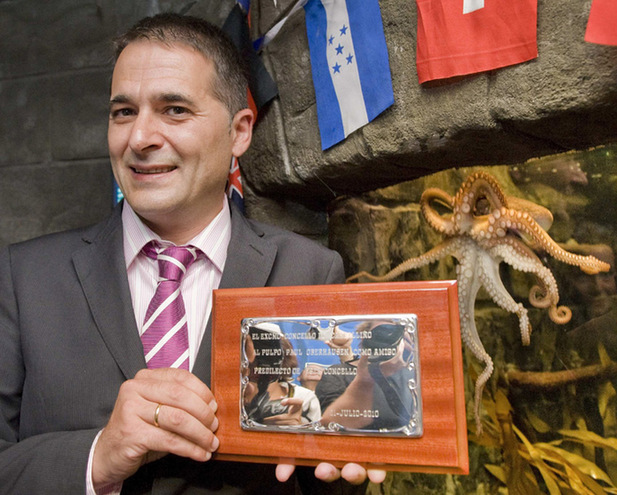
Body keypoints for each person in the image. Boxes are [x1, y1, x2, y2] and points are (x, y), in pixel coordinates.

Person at [0, 13, 385, 494]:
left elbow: (327, 463)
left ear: (239, 132)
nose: (139, 138)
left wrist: (347, 469)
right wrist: (99, 456)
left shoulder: (307, 271)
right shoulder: (23, 279)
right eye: (123, 112)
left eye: (174, 110)